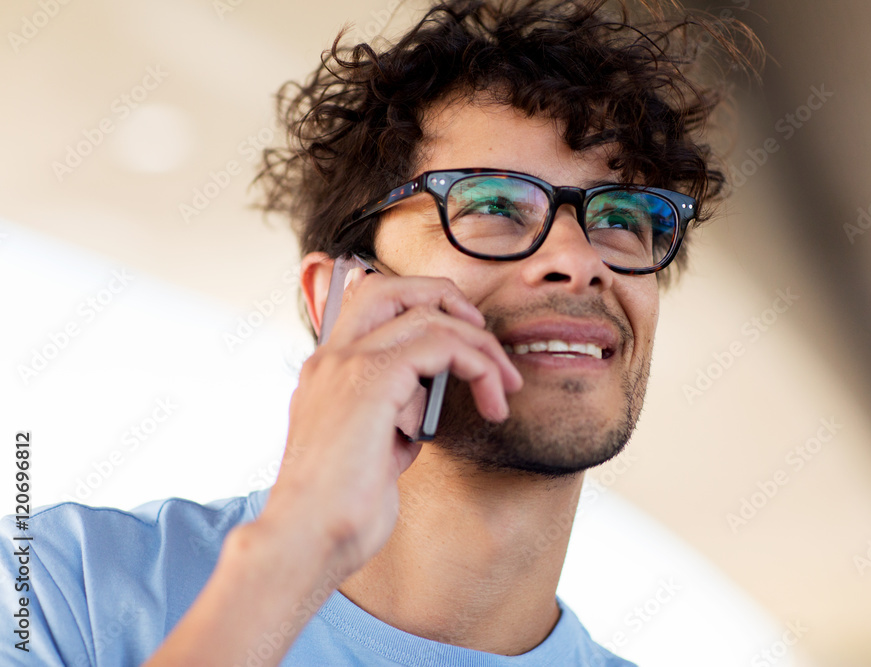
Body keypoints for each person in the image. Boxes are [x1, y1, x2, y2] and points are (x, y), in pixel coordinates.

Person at [2, 1, 754, 664]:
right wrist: (295, 552)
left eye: (622, 218)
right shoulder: (55, 588)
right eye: (492, 204)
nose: (577, 260)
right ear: (338, 295)